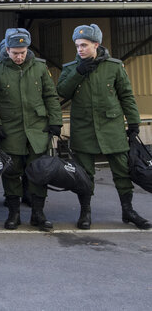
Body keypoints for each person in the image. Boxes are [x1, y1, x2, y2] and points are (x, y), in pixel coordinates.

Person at [57, 24, 149, 230]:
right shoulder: (71, 68)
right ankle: (85, 212)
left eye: (84, 45)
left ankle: (128, 211)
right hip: (84, 129)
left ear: (96, 45)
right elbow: (61, 91)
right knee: (84, 174)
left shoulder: (114, 67)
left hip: (111, 128)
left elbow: (126, 96)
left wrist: (134, 122)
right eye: (77, 45)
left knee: (122, 172)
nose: (79, 49)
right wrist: (78, 73)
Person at [0, 28, 62, 231]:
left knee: (40, 173)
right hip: (10, 133)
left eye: (23, 52)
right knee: (11, 173)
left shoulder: (39, 67)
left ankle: (38, 214)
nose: (19, 57)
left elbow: (50, 96)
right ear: (7, 49)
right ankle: (14, 214)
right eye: (15, 52)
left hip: (38, 131)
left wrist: (56, 121)